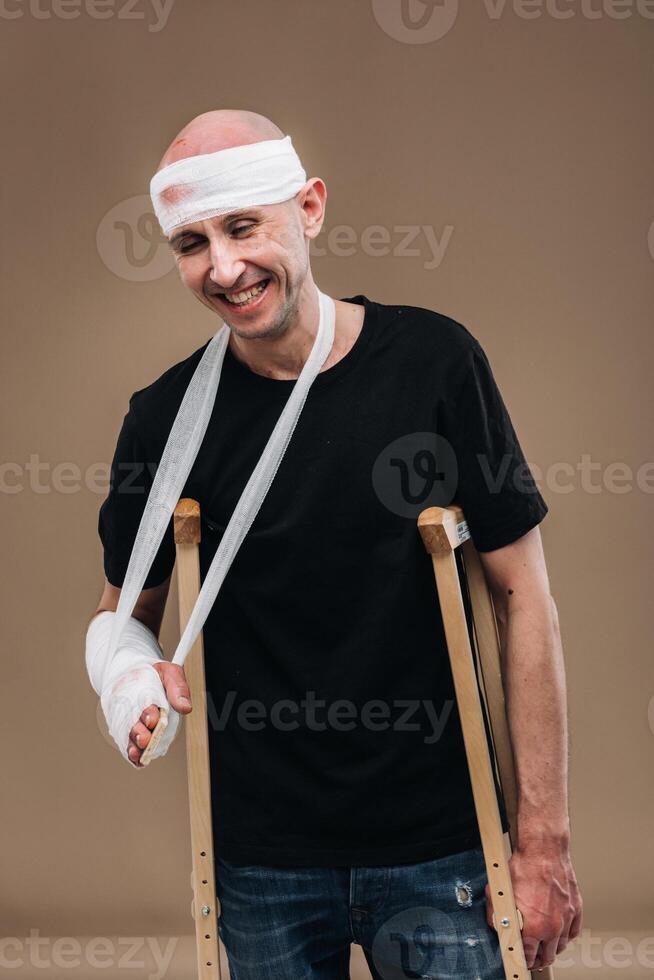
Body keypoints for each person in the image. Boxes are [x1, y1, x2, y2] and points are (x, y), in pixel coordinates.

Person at [86, 109, 582, 979]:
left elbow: (523, 595)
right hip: (260, 856)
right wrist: (131, 675)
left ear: (309, 208)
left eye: (244, 226)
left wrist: (541, 842)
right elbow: (121, 617)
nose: (224, 267)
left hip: (442, 843)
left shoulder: (435, 364)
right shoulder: (162, 420)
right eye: (192, 243)